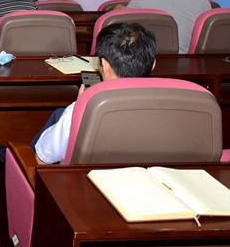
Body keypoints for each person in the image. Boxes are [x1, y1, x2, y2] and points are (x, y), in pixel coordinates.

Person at [27, 23, 157, 165]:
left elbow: (42, 160)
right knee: (59, 113)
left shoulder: (85, 110)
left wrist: (79, 107)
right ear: (153, 64)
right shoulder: (173, 101)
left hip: (89, 177)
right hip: (148, 174)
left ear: (104, 65)